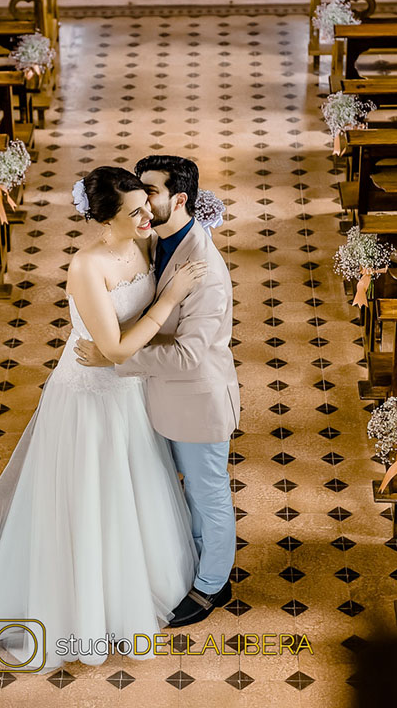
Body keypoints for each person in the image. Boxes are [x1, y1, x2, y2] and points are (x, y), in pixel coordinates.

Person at [0, 166, 208, 672]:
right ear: (106, 220)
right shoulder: (86, 267)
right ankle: (82, 607)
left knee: (132, 487)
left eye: (147, 204)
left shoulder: (141, 243)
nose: (147, 216)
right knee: (90, 498)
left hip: (130, 394)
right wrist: (168, 299)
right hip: (90, 400)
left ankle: (131, 583)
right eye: (135, 212)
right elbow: (115, 347)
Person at [74, 154, 240, 628]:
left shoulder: (203, 267)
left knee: (208, 497)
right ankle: (186, 564)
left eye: (150, 193)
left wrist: (116, 356)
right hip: (156, 398)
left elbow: (189, 356)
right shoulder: (155, 240)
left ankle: (212, 586)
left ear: (179, 199)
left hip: (196, 401)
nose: (141, 202)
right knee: (174, 493)